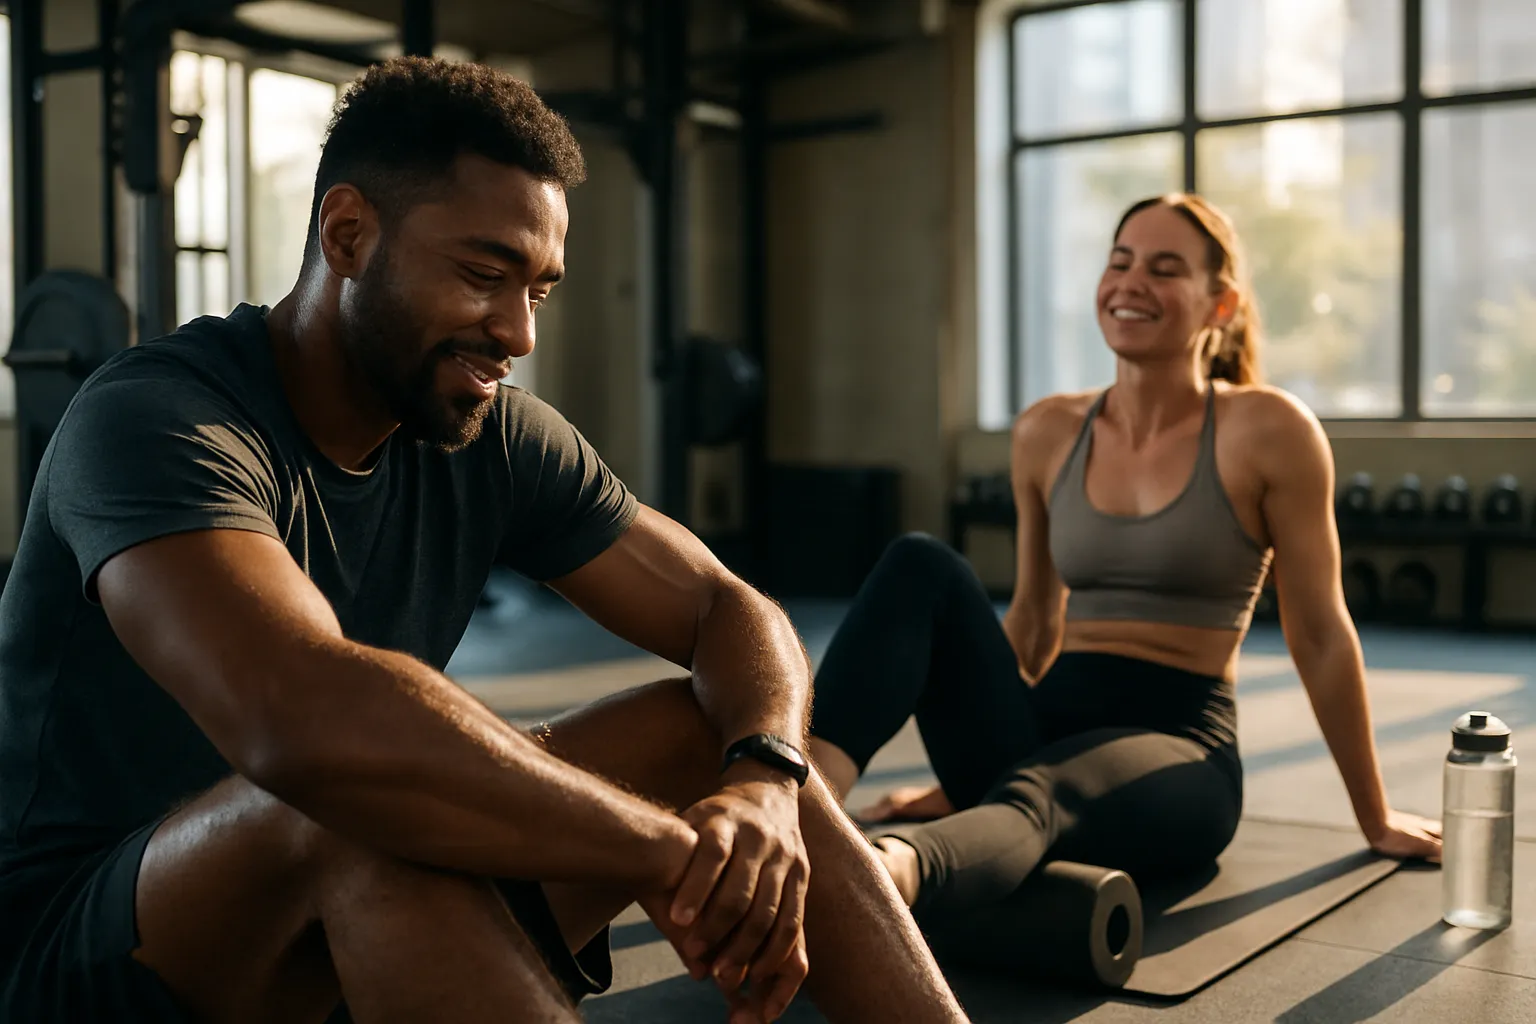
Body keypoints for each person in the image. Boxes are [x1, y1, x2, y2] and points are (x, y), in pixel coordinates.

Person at [0, 58, 970, 1024]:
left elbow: (728, 607)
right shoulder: (159, 420)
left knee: (699, 727)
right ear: (347, 234)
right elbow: (300, 719)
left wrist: (761, 784)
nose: (517, 332)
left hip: (368, 898)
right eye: (483, 274)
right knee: (349, 804)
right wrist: (667, 849)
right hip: (95, 953)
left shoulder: (490, 434)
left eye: (539, 290)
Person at [806, 193, 1443, 928]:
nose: (1132, 282)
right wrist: (962, 770)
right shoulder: (1047, 430)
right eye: (1120, 262)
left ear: (1220, 304)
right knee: (919, 564)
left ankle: (873, 878)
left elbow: (1322, 634)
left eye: (1165, 269)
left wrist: (1376, 815)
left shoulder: (1268, 429)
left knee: (1042, 793)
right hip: (1042, 727)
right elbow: (1035, 622)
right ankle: (801, 808)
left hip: (1178, 750)